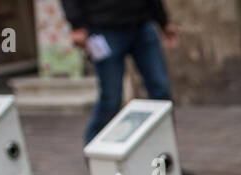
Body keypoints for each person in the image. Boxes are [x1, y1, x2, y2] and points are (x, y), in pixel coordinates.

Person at [61, 0, 182, 144]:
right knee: (111, 100)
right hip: (103, 29)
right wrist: (77, 25)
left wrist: (163, 21)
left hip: (141, 25)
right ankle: (95, 155)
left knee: (161, 92)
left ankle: (166, 159)